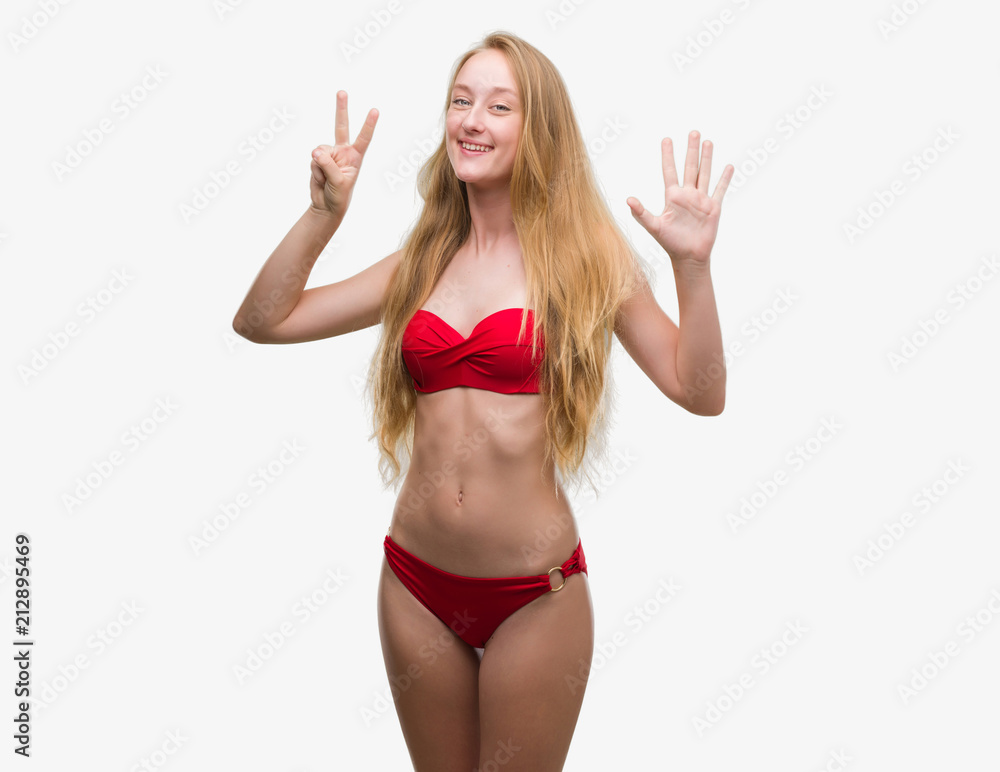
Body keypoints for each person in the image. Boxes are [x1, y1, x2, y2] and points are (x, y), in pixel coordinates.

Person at [232, 29, 731, 772]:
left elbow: (700, 393)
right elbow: (263, 321)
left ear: (540, 131)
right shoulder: (423, 260)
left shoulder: (586, 262)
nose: (472, 120)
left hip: (534, 597)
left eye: (500, 106)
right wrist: (322, 219)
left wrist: (691, 268)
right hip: (414, 586)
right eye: (460, 101)